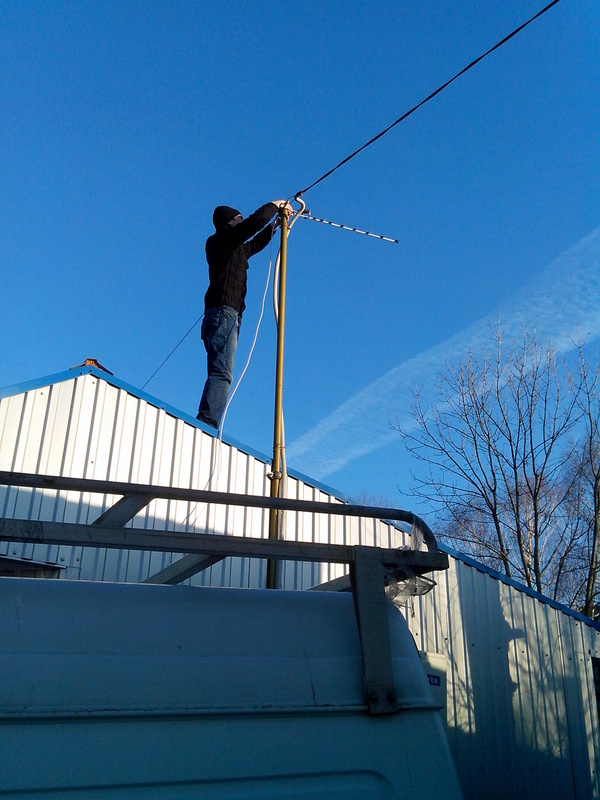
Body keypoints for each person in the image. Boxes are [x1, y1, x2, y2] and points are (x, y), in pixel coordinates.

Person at [197, 199, 292, 428]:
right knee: (221, 373)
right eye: (238, 219)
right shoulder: (219, 241)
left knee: (220, 371)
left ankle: (207, 422)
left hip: (223, 316)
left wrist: (275, 226)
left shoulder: (234, 248)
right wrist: (274, 205)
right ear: (229, 222)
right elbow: (251, 225)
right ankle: (206, 424)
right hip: (223, 315)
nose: (241, 222)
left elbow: (254, 244)